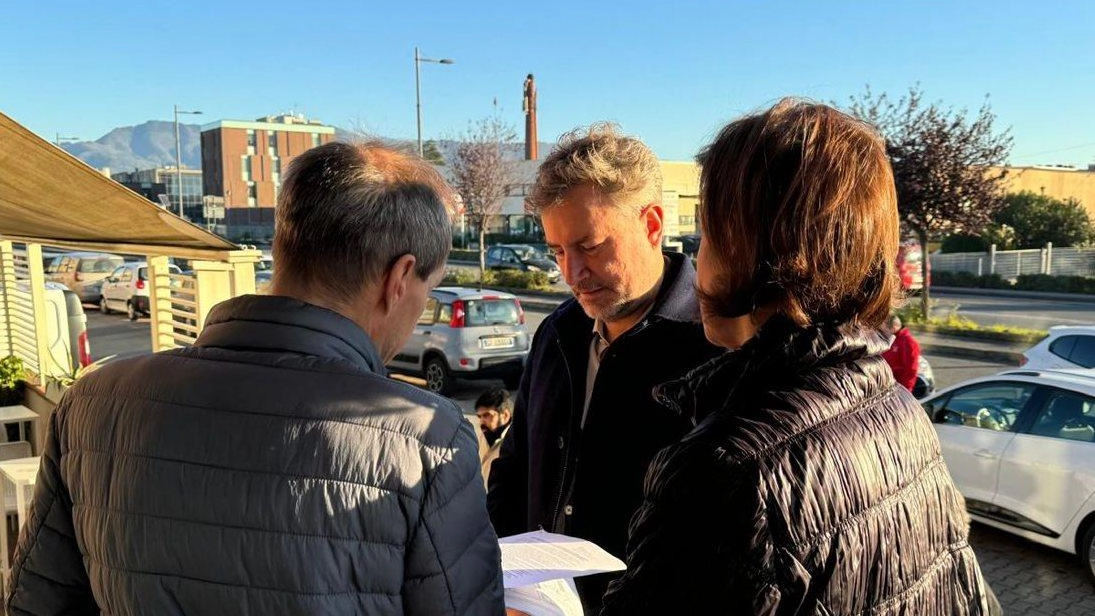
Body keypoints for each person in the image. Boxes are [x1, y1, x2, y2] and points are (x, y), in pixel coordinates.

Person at [7, 142, 505, 615]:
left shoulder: (93, 401)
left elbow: (37, 600)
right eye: (427, 292)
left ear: (282, 246)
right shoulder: (426, 437)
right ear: (399, 279)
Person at [601, 100, 1001, 615]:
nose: (698, 260)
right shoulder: (894, 406)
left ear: (759, 252)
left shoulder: (726, 471)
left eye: (712, 235)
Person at [486, 124, 721, 612]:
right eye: (557, 251)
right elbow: (513, 474)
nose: (571, 273)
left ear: (652, 225)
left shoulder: (716, 348)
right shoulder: (555, 334)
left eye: (590, 246)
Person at [476, 387, 513, 485]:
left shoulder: (514, 444)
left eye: (487, 415)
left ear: (505, 415)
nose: (481, 422)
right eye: (479, 416)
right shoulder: (483, 436)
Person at [882, 314, 922, 392]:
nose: (882, 331)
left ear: (894, 327)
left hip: (898, 388)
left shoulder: (908, 342)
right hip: (887, 385)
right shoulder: (891, 338)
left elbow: (911, 370)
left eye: (884, 328)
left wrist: (905, 390)